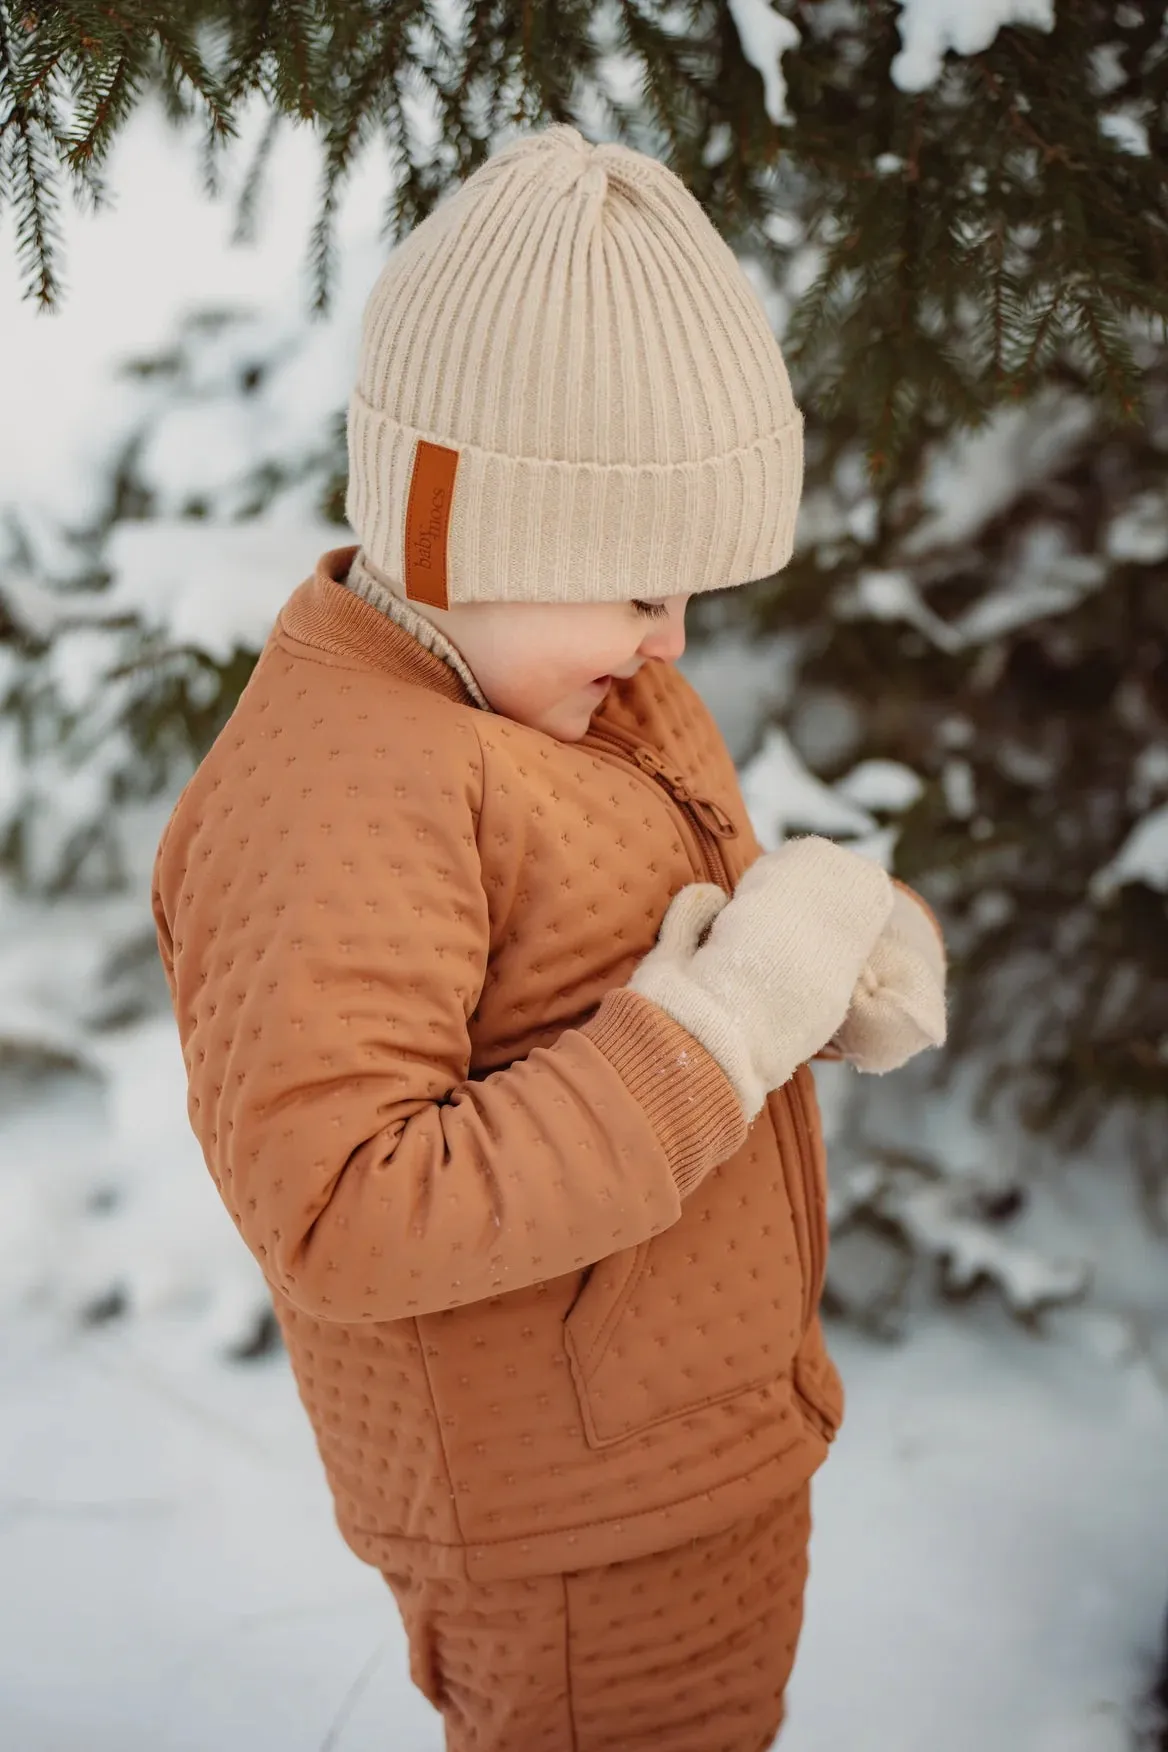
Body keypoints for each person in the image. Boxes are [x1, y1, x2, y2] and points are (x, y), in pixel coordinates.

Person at [150, 122, 947, 1752]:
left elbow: (634, 939)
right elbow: (342, 1209)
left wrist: (821, 965)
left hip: (680, 1451)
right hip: (570, 1526)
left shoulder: (579, 686)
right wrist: (716, 1036)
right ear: (468, 530)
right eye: (640, 583)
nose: (672, 634)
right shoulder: (346, 795)